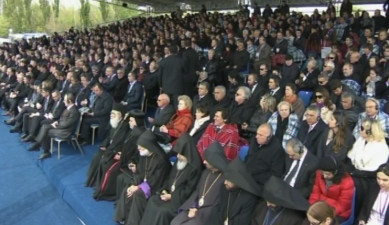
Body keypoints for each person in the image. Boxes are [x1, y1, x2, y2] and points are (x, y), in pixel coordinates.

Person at [140, 134, 202, 225]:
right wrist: (165, 190)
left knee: (162, 211)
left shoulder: (195, 168)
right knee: (152, 201)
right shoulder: (179, 161)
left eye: (180, 154)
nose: (177, 156)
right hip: (169, 194)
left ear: (187, 153)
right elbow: (169, 178)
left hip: (180, 200)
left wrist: (172, 196)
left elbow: (189, 191)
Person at [114, 130, 171, 225]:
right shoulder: (144, 154)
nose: (138, 148)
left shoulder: (161, 160)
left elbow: (156, 180)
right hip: (144, 183)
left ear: (149, 146)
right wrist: (134, 184)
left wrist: (139, 187)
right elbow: (140, 173)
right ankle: (123, 217)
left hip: (155, 187)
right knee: (129, 187)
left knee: (138, 194)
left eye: (141, 146)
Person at [171, 142, 228, 225]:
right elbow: (197, 192)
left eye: (207, 160)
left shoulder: (225, 179)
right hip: (195, 207)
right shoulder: (205, 173)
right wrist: (192, 206)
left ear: (215, 161)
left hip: (208, 214)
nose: (204, 162)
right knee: (175, 222)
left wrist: (199, 212)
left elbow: (219, 203)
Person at [348, 118, 389, 217]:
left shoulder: (381, 147)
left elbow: (376, 170)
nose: (360, 130)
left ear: (371, 131)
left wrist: (354, 173)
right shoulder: (360, 140)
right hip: (356, 174)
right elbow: (351, 156)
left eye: (362, 128)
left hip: (369, 179)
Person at [85, 103, 129, 195]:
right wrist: (104, 145)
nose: (111, 115)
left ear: (120, 115)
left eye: (114, 114)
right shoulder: (114, 123)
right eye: (111, 113)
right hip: (110, 149)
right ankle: (93, 181)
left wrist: (112, 150)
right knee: (97, 157)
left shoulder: (125, 127)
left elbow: (121, 142)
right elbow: (109, 137)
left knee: (104, 161)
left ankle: (101, 186)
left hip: (117, 151)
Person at [28, 93, 80, 160]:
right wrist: (57, 122)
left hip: (67, 132)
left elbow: (67, 124)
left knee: (46, 130)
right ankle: (41, 147)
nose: (63, 101)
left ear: (69, 101)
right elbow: (62, 120)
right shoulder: (68, 108)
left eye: (64, 100)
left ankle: (42, 148)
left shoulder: (74, 111)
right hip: (62, 128)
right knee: (45, 126)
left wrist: (56, 124)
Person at [309, 157, 355, 223]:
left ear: (335, 172)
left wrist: (325, 214)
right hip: (320, 208)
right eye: (323, 173)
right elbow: (315, 193)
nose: (324, 176)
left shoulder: (347, 182)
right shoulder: (319, 174)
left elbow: (342, 206)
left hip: (338, 213)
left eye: (328, 174)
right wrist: (313, 208)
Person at [218, 158, 262, 225]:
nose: (225, 182)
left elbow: (243, 221)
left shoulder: (249, 198)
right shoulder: (224, 188)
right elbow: (219, 210)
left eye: (229, 180)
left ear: (238, 181)